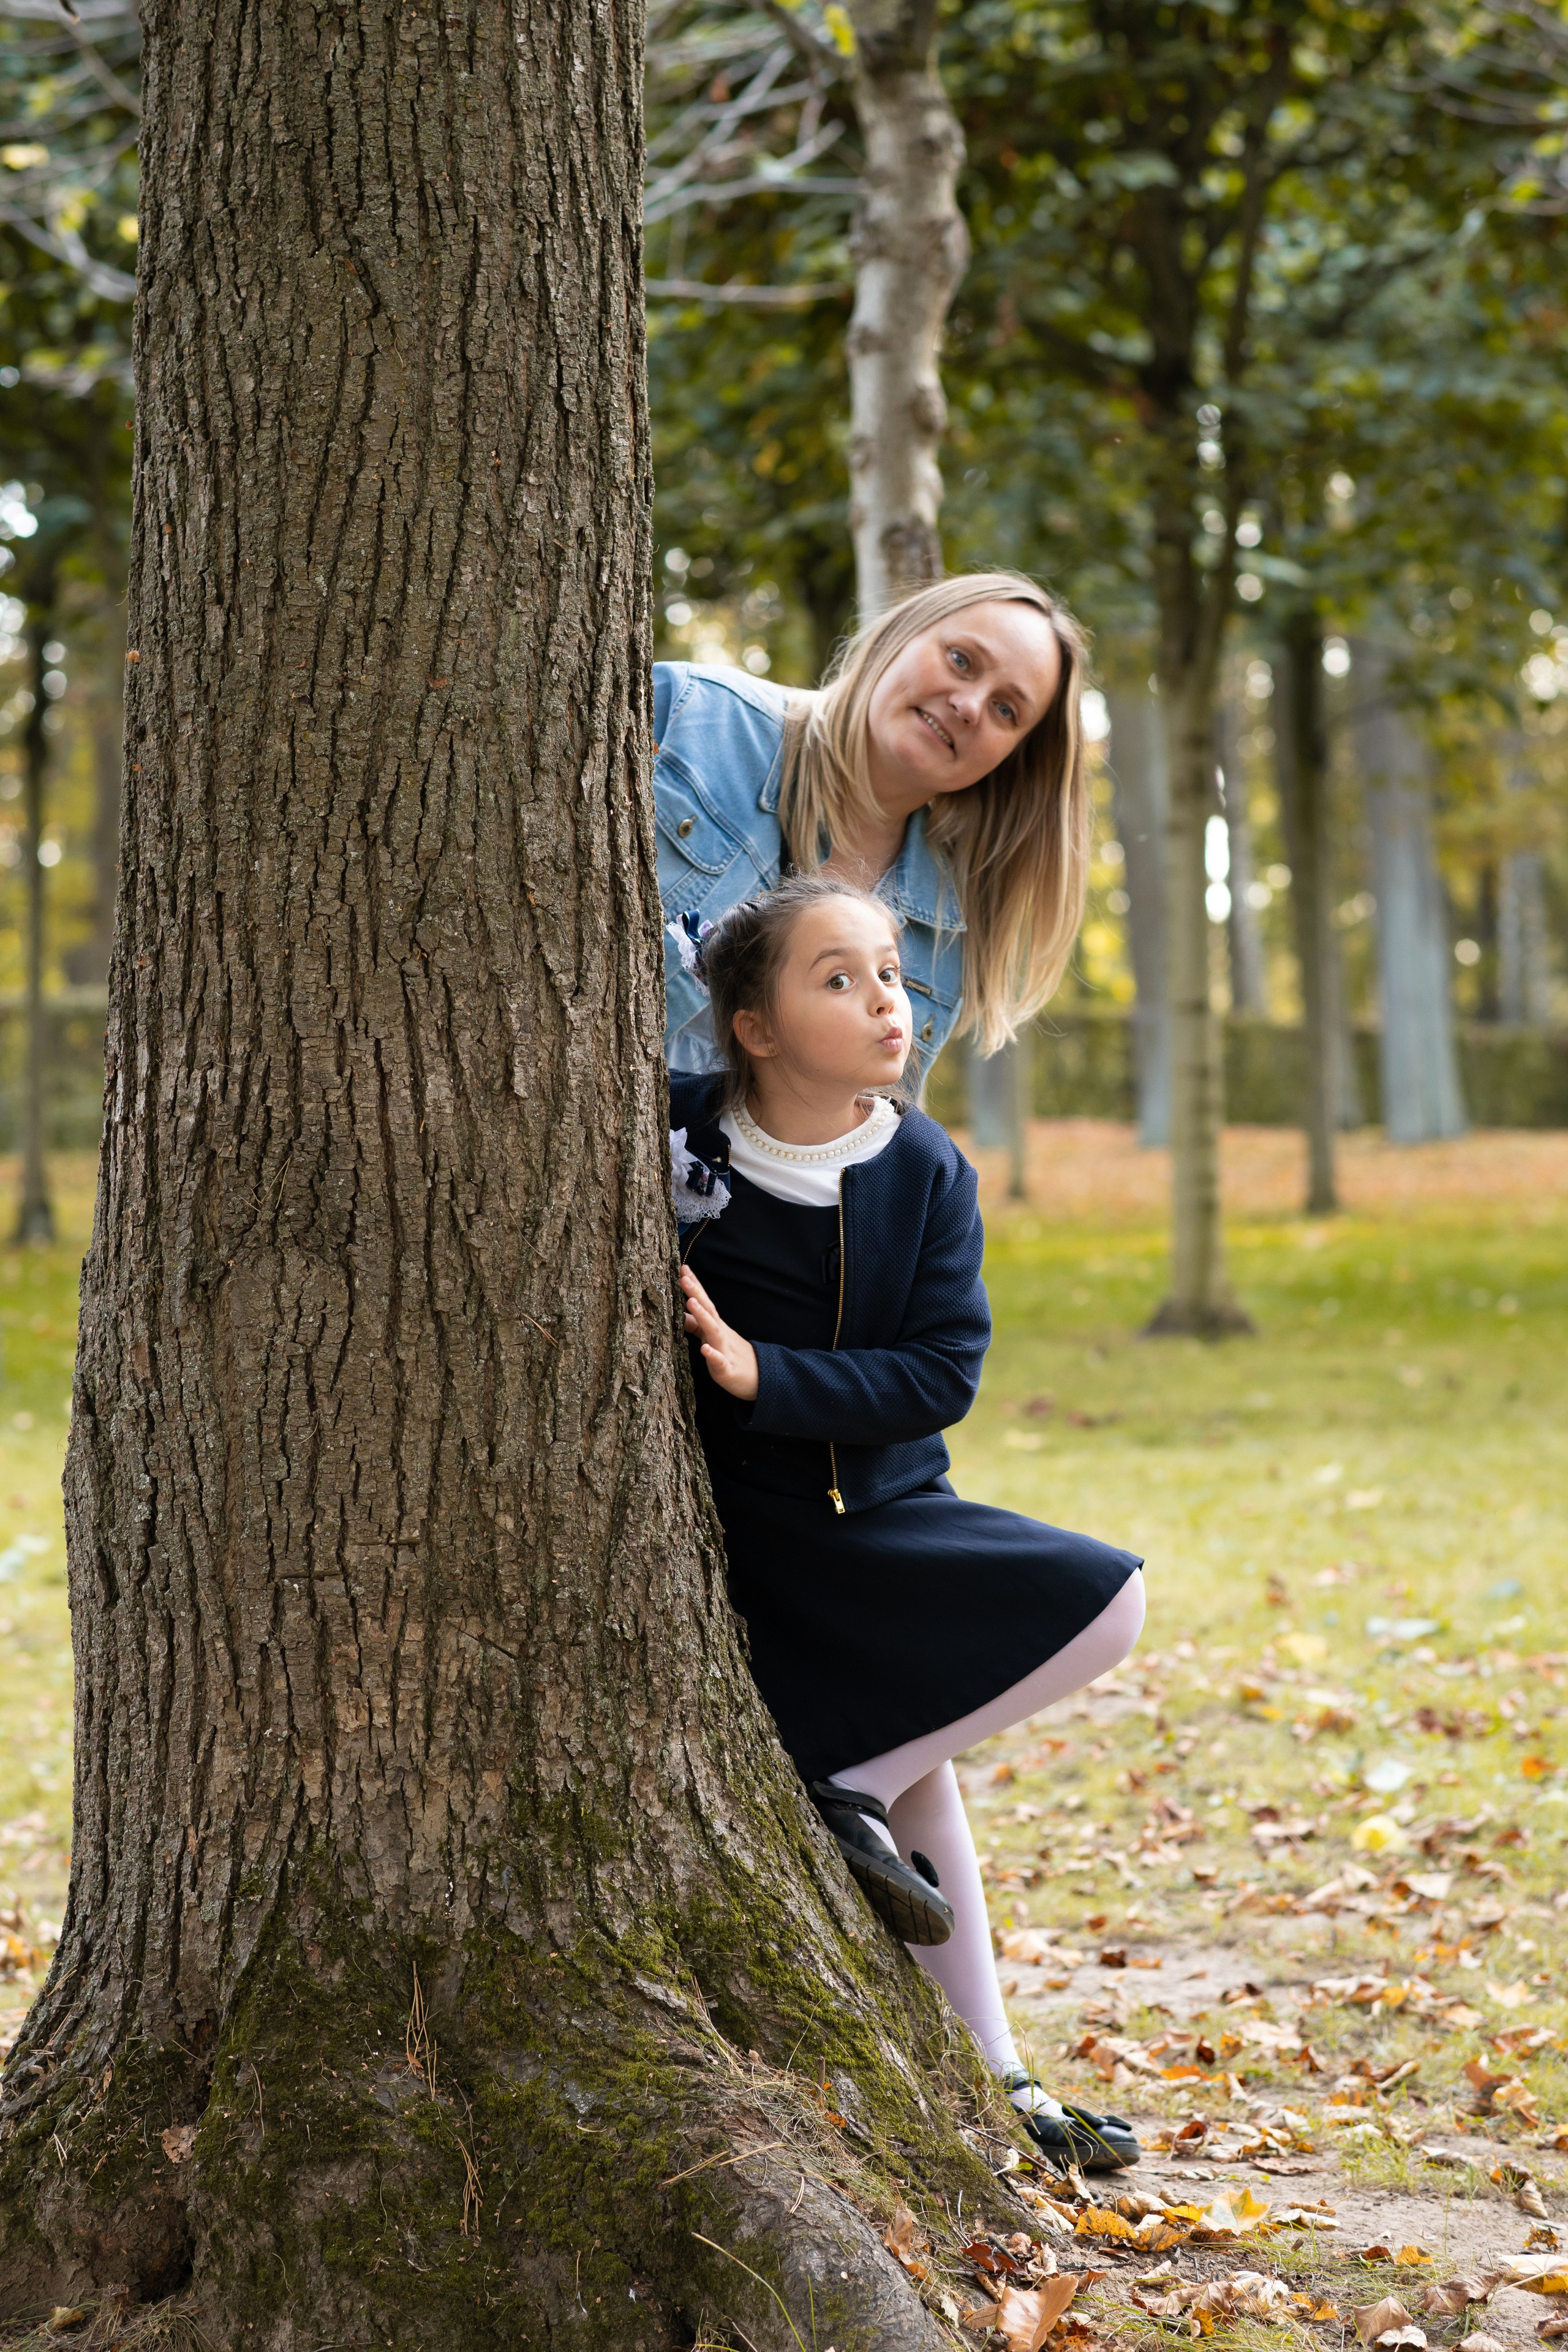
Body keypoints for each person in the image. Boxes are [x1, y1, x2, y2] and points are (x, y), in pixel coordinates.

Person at [668, 874, 1147, 2173]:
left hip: (879, 1511)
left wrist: (769, 1376)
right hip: (754, 1534)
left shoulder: (925, 1169)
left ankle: (855, 1799)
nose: (886, 1000)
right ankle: (998, 2074)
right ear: (755, 1028)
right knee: (919, 1768)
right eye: (838, 979)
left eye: (887, 971)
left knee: (1106, 1597)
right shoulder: (679, 1133)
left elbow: (940, 1371)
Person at [655, 571, 1089, 1079]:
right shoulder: (692, 716)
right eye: (961, 660)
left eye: (1006, 709)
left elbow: (868, 1119)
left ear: (1013, 758)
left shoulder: (943, 928)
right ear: (899, 634)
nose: (970, 706)